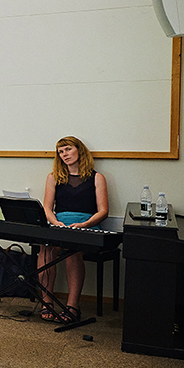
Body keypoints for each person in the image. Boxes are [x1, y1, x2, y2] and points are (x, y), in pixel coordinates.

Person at [38, 136, 109, 322]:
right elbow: (47, 208)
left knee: (72, 251)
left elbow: (103, 211)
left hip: (87, 224)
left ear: (79, 150)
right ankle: (47, 302)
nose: (64, 154)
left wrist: (85, 225)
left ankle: (72, 306)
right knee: (45, 249)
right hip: (59, 224)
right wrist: (55, 222)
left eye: (68, 149)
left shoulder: (97, 178)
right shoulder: (53, 177)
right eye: (61, 152)